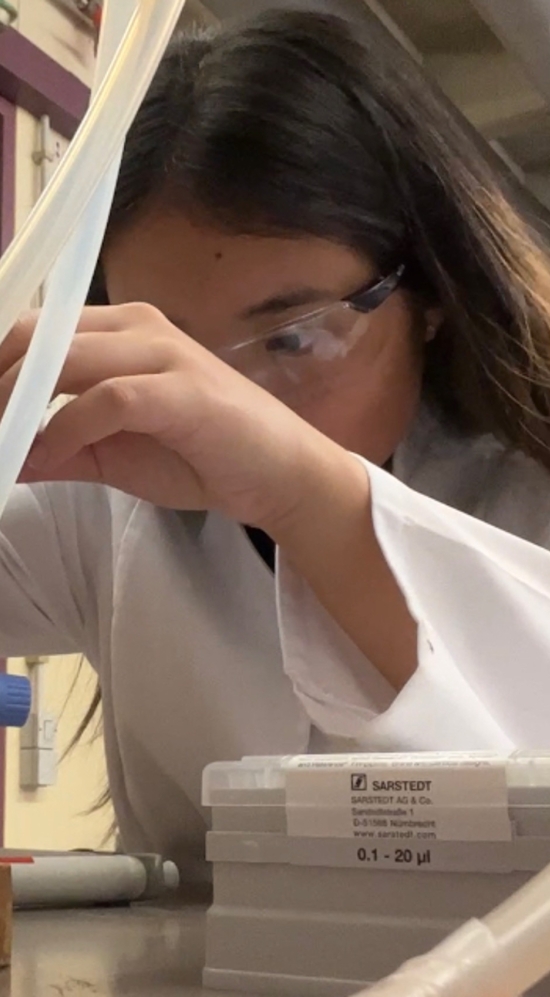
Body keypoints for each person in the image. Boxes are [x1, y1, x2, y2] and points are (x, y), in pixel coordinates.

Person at [3, 7, 550, 875]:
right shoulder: (101, 502)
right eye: (172, 351)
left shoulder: (528, 484)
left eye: (294, 336)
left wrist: (303, 492)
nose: (223, 405)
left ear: (430, 294)